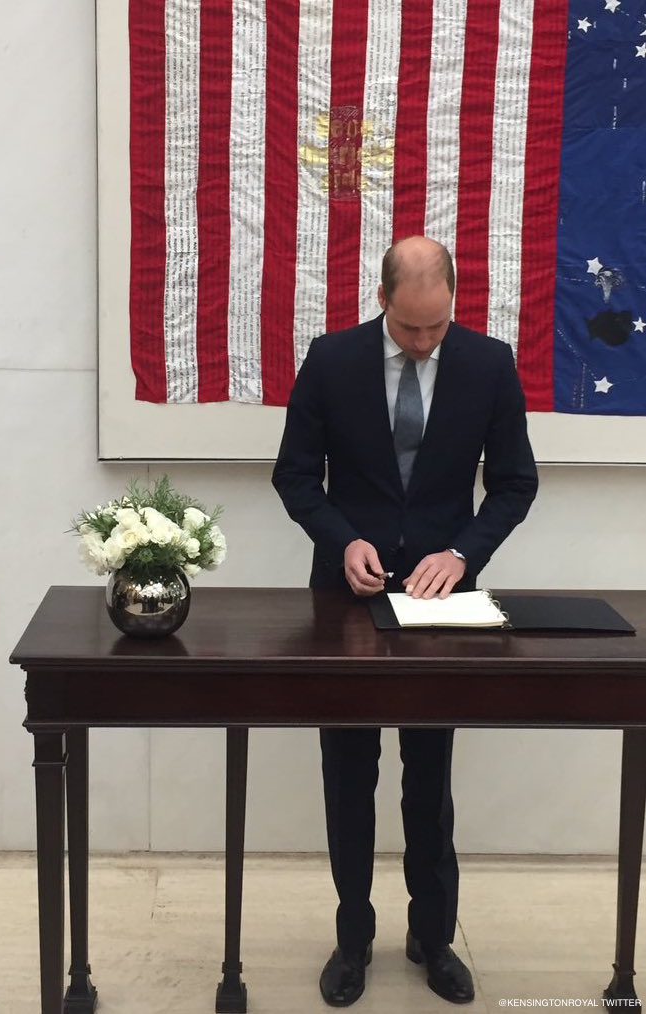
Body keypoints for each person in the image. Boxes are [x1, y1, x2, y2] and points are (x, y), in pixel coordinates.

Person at [272, 235, 538, 1007]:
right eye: (410, 328)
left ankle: (434, 937)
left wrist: (462, 551)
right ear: (381, 299)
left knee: (430, 778)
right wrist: (342, 537)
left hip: (442, 604)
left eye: (437, 327)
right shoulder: (331, 359)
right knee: (348, 775)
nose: (425, 343)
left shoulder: (487, 364)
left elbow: (516, 485)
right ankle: (351, 938)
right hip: (345, 597)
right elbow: (293, 475)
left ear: (452, 304)